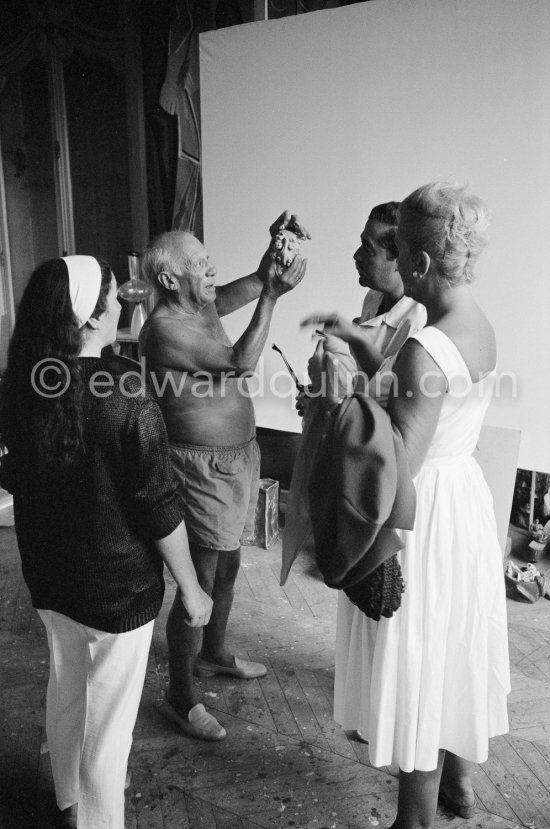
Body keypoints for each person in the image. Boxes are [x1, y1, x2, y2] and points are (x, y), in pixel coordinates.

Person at [302, 182, 510, 828]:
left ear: (418, 265)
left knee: (418, 664)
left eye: (403, 254)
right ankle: (454, 784)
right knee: (445, 651)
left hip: (422, 513)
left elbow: (396, 457)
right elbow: (427, 392)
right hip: (462, 498)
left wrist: (338, 403)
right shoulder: (475, 323)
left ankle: (411, 821)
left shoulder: (424, 345)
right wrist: (365, 347)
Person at [0, 256, 212, 829]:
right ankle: (97, 819)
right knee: (109, 731)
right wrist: (192, 587)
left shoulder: (23, 382)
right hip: (116, 593)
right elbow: (157, 504)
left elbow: (14, 474)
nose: (123, 293)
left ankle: (67, 800)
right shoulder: (124, 392)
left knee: (67, 686)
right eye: (114, 293)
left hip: (49, 578)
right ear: (93, 316)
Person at [139, 218, 307, 741]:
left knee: (228, 566)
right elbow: (240, 362)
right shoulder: (165, 328)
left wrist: (271, 256)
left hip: (237, 458)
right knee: (202, 581)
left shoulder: (199, 302)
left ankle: (212, 654)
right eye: (198, 264)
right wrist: (274, 299)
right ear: (170, 281)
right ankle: (180, 697)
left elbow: (254, 281)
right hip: (200, 468)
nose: (210, 269)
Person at [282, 203, 426, 584]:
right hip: (361, 443)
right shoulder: (373, 301)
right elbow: (367, 378)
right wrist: (321, 394)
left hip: (386, 464)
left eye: (368, 248)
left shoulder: (417, 322)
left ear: (400, 260)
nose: (356, 255)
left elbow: (391, 402)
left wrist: (332, 398)